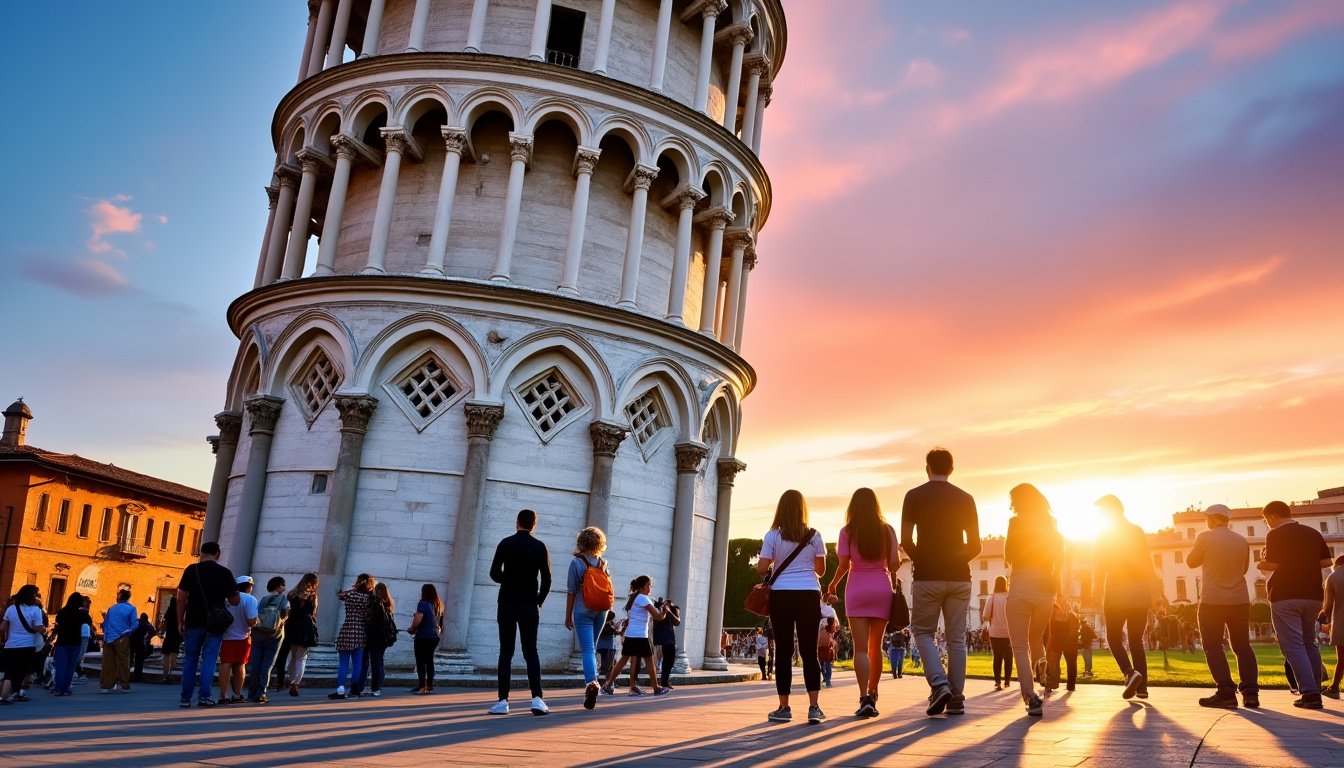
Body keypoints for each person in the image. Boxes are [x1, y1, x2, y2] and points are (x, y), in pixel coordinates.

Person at [901, 448, 981, 716]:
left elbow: (906, 541)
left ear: (927, 468)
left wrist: (923, 561)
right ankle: (956, 697)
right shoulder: (966, 498)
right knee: (956, 637)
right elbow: (977, 545)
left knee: (922, 632)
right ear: (952, 469)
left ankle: (939, 685)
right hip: (960, 577)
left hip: (927, 576)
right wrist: (957, 561)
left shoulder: (913, 496)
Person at [825, 487, 899, 718]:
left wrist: (833, 583)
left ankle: (863, 697)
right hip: (881, 588)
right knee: (875, 647)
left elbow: (844, 565)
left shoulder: (847, 531)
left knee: (860, 648)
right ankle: (873, 691)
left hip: (857, 588)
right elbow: (895, 564)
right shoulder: (887, 530)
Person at [758, 489, 828, 725]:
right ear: (802, 509)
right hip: (808, 593)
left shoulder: (772, 536)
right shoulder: (814, 535)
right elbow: (820, 570)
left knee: (783, 652)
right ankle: (814, 707)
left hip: (782, 595)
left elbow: (761, 568)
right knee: (809, 652)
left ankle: (784, 707)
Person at [1258, 500, 1332, 709]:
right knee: (1310, 642)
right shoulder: (1312, 533)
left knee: (1293, 645)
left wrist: (1261, 563)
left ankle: (1309, 693)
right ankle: (1315, 689)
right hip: (1312, 594)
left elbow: (1272, 564)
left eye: (1266, 520)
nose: (1267, 525)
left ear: (1272, 516)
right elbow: (1326, 562)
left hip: (1285, 595)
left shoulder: (1275, 535)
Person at [1186, 504, 1257, 708]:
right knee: (1242, 647)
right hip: (1240, 600)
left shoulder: (1205, 537)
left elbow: (1191, 562)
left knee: (1213, 646)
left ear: (1210, 519)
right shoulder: (1241, 540)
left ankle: (1226, 692)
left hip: (1212, 601)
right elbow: (1243, 569)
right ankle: (1251, 693)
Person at [1003, 483, 1062, 717]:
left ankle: (1031, 697)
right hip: (1045, 586)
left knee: (1019, 645)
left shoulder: (1016, 523)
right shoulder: (1051, 525)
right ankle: (1043, 668)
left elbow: (1009, 555)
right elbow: (1058, 557)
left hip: (1021, 582)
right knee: (1036, 637)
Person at [488, 508, 552, 716]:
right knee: (530, 650)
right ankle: (537, 698)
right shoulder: (539, 547)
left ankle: (502, 700)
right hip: (528, 604)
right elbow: (547, 578)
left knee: (505, 651)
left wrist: (508, 579)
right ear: (534, 525)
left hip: (506, 602)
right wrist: (539, 601)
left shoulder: (505, 543)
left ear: (517, 522)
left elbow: (494, 573)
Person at [1092, 494, 1156, 700]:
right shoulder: (1136, 531)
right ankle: (1142, 687)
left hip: (1117, 590)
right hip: (1139, 591)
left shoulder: (1104, 534)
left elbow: (1100, 564)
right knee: (1136, 641)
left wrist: (1096, 591)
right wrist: (1155, 592)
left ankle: (1130, 673)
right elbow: (1147, 563)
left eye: (1101, 511)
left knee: (1113, 637)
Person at [177, 541, 240, 708]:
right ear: (218, 554)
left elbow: (181, 598)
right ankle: (204, 697)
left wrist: (179, 621)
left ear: (201, 553)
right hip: (215, 623)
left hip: (193, 620)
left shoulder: (191, 570)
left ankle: (185, 698)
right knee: (209, 660)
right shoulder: (225, 573)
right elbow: (234, 601)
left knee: (190, 660)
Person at [565, 526, 612, 709]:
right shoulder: (603, 563)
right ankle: (592, 683)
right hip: (602, 610)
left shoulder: (577, 563)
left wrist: (568, 616)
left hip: (583, 609)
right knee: (592, 647)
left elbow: (571, 591)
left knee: (587, 649)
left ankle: (591, 683)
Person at [600, 575, 671, 697]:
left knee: (626, 660)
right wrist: (665, 611)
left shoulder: (633, 597)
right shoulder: (643, 598)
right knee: (649, 660)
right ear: (643, 586)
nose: (650, 588)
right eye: (648, 585)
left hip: (631, 635)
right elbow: (658, 616)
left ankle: (611, 685)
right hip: (640, 636)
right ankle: (656, 688)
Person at [329, 573, 374, 700]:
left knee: (343, 662)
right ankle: (355, 688)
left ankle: (340, 688)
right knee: (357, 663)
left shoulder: (350, 594)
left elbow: (340, 594)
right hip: (360, 630)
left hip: (347, 628)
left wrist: (354, 589)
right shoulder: (368, 597)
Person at [1, 584, 47, 704]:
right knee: (22, 671)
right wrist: (44, 630)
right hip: (27, 645)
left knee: (10, 670)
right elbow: (38, 627)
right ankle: (12, 693)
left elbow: (3, 627)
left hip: (10, 645)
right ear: (32, 596)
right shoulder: (35, 610)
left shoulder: (11, 608)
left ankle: (7, 695)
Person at [246, 576, 289, 703]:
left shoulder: (263, 599)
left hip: (258, 633)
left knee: (256, 663)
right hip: (274, 634)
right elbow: (284, 615)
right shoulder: (284, 599)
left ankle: (252, 692)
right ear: (279, 586)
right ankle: (262, 692)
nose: (284, 587)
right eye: (283, 585)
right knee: (267, 664)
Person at [218, 575, 259, 704]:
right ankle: (236, 694)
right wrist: (258, 621)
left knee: (225, 663)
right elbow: (251, 620)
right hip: (243, 636)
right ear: (249, 586)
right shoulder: (250, 599)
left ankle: (223, 695)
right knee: (240, 665)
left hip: (226, 635)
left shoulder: (226, 598)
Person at [355, 581, 395, 697]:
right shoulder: (389, 604)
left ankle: (361, 687)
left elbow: (368, 619)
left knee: (365, 662)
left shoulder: (374, 602)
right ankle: (377, 688)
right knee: (378, 662)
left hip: (370, 636)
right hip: (382, 638)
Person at [284, 573, 319, 697]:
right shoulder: (312, 596)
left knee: (293, 655)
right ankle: (295, 684)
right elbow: (313, 612)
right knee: (301, 657)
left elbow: (289, 610)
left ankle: (291, 678)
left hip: (292, 625)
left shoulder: (292, 594)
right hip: (305, 627)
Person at [407, 583, 444, 694]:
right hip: (434, 636)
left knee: (420, 661)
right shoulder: (438, 605)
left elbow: (419, 617)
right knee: (429, 661)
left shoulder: (423, 603)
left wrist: (412, 628)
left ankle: (421, 686)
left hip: (423, 636)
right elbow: (441, 623)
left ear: (424, 592)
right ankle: (430, 685)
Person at [100, 588, 138, 693]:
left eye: (118, 595)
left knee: (108, 663)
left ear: (120, 596)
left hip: (109, 639)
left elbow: (105, 624)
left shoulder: (111, 608)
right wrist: (129, 632)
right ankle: (124, 685)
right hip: (122, 637)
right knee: (123, 662)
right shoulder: (131, 608)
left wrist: (105, 637)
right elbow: (135, 624)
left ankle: (107, 685)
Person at [50, 592, 86, 696]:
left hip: (62, 641)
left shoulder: (62, 612)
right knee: (71, 666)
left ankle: (58, 688)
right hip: (76, 642)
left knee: (61, 665)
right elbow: (87, 622)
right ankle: (66, 688)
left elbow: (58, 623)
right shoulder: (81, 613)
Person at [983, 575, 1012, 690]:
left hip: (995, 632)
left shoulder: (992, 597)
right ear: (1005, 584)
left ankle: (997, 682)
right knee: (1009, 657)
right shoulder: (1009, 597)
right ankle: (1007, 681)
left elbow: (985, 615)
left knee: (997, 657)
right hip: (1008, 632)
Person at [1045, 599, 1079, 693]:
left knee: (1053, 664)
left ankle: (1051, 684)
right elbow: (1076, 629)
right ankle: (1070, 686)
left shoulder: (1054, 617)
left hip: (1059, 642)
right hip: (1069, 643)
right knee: (1070, 664)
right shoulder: (1072, 616)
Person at [1322, 555, 1344, 698]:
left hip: (1341, 621)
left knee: (1342, 658)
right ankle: (1334, 686)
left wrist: (1325, 619)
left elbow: (1328, 605)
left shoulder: (1333, 577)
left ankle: (1334, 687)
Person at [652, 597, 681, 691]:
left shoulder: (672, 611)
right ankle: (660, 682)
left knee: (669, 661)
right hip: (660, 640)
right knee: (660, 662)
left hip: (669, 639)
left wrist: (669, 611)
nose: (667, 603)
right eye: (666, 602)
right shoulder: (658, 609)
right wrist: (661, 608)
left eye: (669, 602)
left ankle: (664, 681)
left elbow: (677, 622)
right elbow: (657, 619)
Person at [159, 595, 182, 684]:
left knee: (166, 657)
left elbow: (163, 624)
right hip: (176, 637)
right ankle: (172, 674)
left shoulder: (168, 612)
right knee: (174, 657)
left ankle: (165, 676)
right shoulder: (178, 612)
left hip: (168, 637)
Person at [129, 612, 157, 683]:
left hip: (132, 643)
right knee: (139, 662)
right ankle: (138, 677)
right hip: (141, 644)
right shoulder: (148, 624)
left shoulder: (136, 622)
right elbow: (154, 632)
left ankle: (126, 676)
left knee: (129, 660)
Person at [818, 616, 838, 687]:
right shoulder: (828, 627)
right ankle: (827, 680)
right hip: (824, 647)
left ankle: (826, 680)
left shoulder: (825, 625)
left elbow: (835, 628)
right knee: (825, 664)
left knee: (824, 664)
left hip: (823, 647)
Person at [597, 611, 617, 677]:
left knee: (603, 657)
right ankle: (606, 670)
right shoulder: (610, 627)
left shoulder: (600, 624)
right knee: (608, 659)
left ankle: (602, 668)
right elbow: (615, 632)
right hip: (608, 645)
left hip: (600, 645)